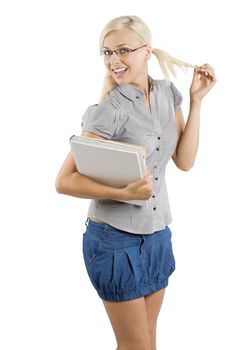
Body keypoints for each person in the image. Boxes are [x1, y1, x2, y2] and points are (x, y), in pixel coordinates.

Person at [55, 15, 217, 350]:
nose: (113, 60)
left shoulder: (166, 95)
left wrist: (197, 102)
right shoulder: (109, 111)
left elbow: (184, 162)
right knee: (136, 346)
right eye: (106, 52)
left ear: (147, 51)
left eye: (123, 50)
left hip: (157, 235)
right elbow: (64, 180)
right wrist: (123, 192)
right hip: (114, 243)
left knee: (148, 342)